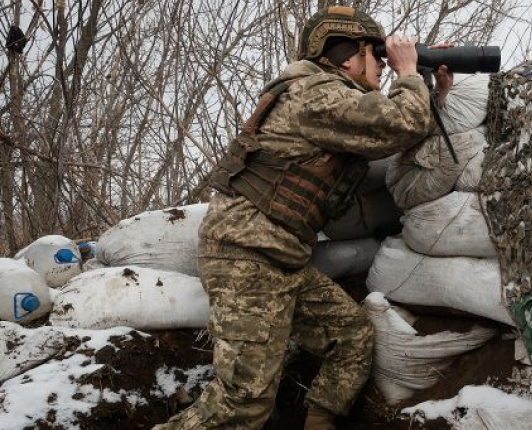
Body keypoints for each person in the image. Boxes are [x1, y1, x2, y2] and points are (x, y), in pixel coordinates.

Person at [152, 6, 452, 430]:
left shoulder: (332, 102)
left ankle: (319, 420)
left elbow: (394, 129)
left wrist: (428, 88)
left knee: (351, 338)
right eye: (377, 56)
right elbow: (399, 124)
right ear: (347, 55)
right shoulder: (315, 93)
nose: (384, 67)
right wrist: (408, 70)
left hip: (281, 257)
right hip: (248, 256)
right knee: (242, 405)